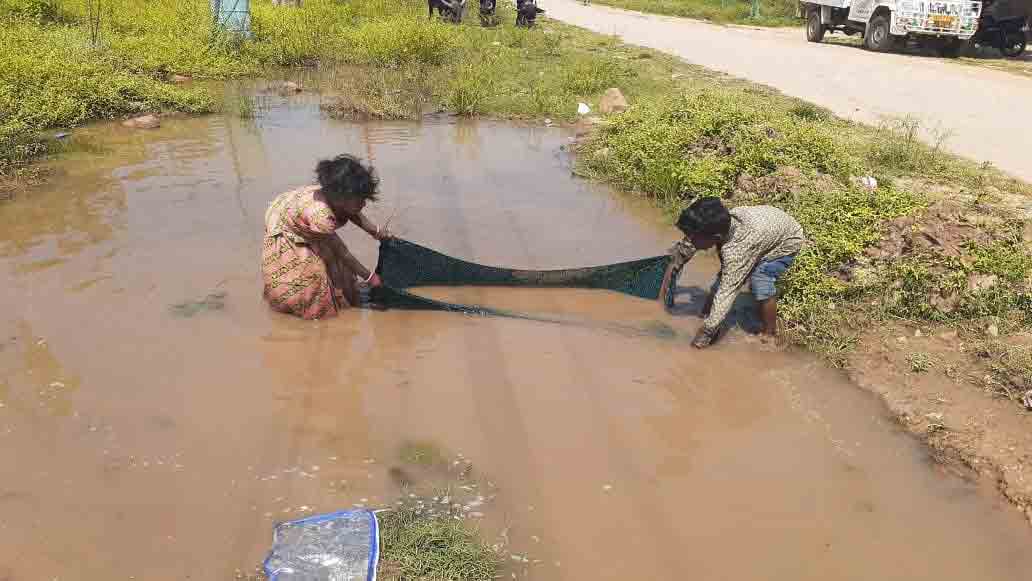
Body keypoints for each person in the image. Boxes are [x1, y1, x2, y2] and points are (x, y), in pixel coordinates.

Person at [659, 197, 805, 349]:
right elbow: (688, 245)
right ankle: (706, 312)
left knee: (760, 281)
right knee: (726, 274)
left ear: (716, 238)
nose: (690, 240)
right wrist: (675, 264)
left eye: (693, 238)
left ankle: (770, 334)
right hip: (769, 225)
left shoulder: (737, 251)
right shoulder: (720, 223)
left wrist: (704, 335)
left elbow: (726, 293)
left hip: (787, 241)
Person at [262, 154, 391, 320]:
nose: (364, 204)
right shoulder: (321, 216)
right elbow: (341, 252)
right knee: (310, 278)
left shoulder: (336, 196)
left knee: (334, 266)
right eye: (360, 200)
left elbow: (354, 213)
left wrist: (376, 232)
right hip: (284, 225)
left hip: (296, 210)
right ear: (340, 198)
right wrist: (369, 276)